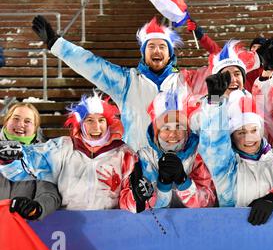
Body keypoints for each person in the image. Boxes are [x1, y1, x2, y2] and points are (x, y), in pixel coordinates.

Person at [31, 15, 214, 152]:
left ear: (170, 54)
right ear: (143, 53)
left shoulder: (187, 81)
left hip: (182, 163)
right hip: (138, 165)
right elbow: (91, 64)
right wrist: (56, 43)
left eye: (162, 46)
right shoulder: (126, 82)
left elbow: (227, 66)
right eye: (151, 46)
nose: (156, 50)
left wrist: (204, 39)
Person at [199, 62, 273, 226]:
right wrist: (214, 102)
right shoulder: (227, 166)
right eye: (241, 133)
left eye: (253, 130)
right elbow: (214, 142)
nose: (249, 138)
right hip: (237, 234)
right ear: (232, 137)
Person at [0, 92, 138, 213]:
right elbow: (28, 166)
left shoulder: (124, 154)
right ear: (80, 124)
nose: (96, 126)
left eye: (101, 120)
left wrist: (138, 197)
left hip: (109, 224)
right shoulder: (62, 147)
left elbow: (132, 203)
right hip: (68, 224)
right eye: (89, 120)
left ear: (108, 123)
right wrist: (10, 160)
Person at [121, 89, 217, 212]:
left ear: (187, 131)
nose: (173, 134)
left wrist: (183, 182)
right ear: (156, 132)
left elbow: (209, 203)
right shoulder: (144, 158)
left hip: (194, 224)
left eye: (179, 127)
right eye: (166, 128)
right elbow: (128, 205)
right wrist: (140, 196)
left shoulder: (198, 156)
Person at [0, 102, 60, 220]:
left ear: (35, 129)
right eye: (16, 118)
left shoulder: (42, 157)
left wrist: (35, 208)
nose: (20, 124)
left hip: (21, 227)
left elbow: (50, 195)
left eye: (27, 121)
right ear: (6, 121)